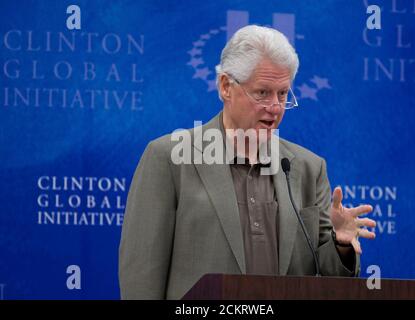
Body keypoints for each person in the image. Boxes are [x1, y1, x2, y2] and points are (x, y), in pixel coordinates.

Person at [119, 25, 376, 300]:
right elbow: (141, 273)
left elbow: (331, 280)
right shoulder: (169, 158)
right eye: (262, 92)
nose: (275, 107)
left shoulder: (308, 168)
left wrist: (341, 243)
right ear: (226, 86)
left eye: (282, 94)